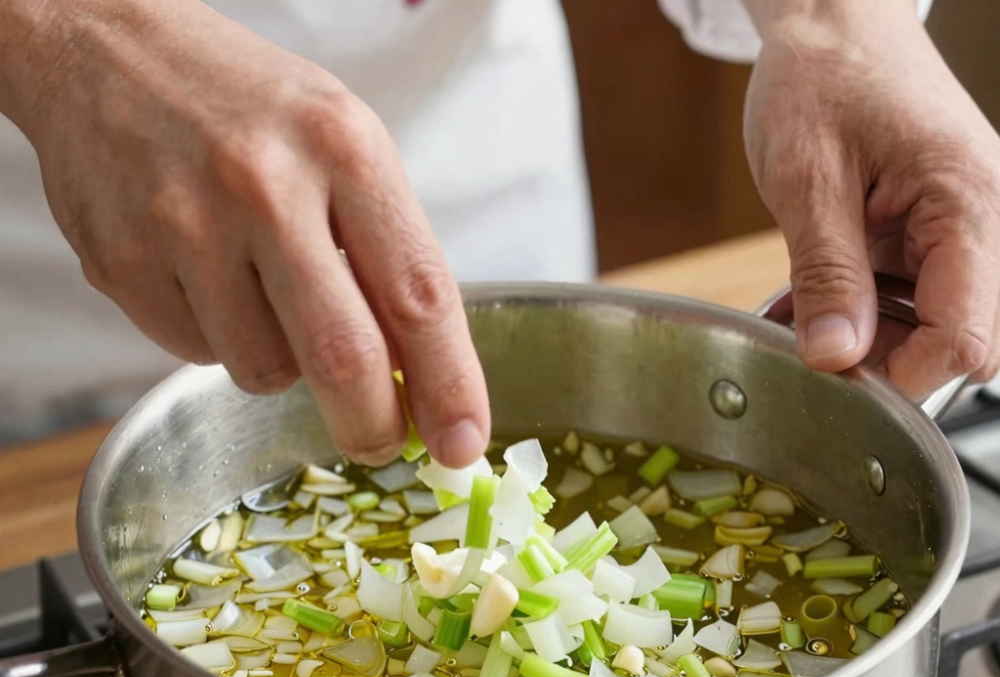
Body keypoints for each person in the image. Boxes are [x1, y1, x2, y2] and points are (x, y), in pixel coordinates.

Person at [0, 0, 996, 467]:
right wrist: (62, 37)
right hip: (29, 297)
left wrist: (833, 19)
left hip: (470, 161)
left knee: (498, 434)